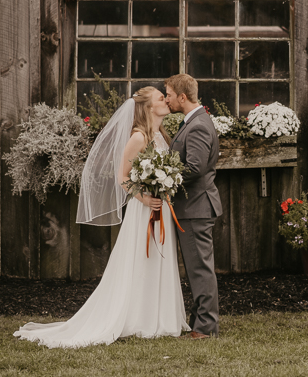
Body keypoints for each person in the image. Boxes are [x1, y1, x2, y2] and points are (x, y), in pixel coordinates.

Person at [13, 87, 190, 348]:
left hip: (161, 207)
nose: (166, 100)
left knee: (159, 259)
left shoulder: (161, 136)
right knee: (143, 260)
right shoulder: (139, 138)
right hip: (144, 211)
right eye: (160, 98)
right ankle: (138, 319)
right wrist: (145, 198)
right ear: (149, 108)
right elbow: (122, 178)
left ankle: (161, 318)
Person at [165, 74, 223, 339]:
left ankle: (205, 327)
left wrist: (164, 176)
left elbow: (196, 168)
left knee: (200, 269)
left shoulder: (198, 125)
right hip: (193, 207)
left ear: (182, 97)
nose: (166, 99)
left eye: (168, 94)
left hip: (196, 207)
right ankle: (199, 320)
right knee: (197, 267)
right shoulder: (194, 121)